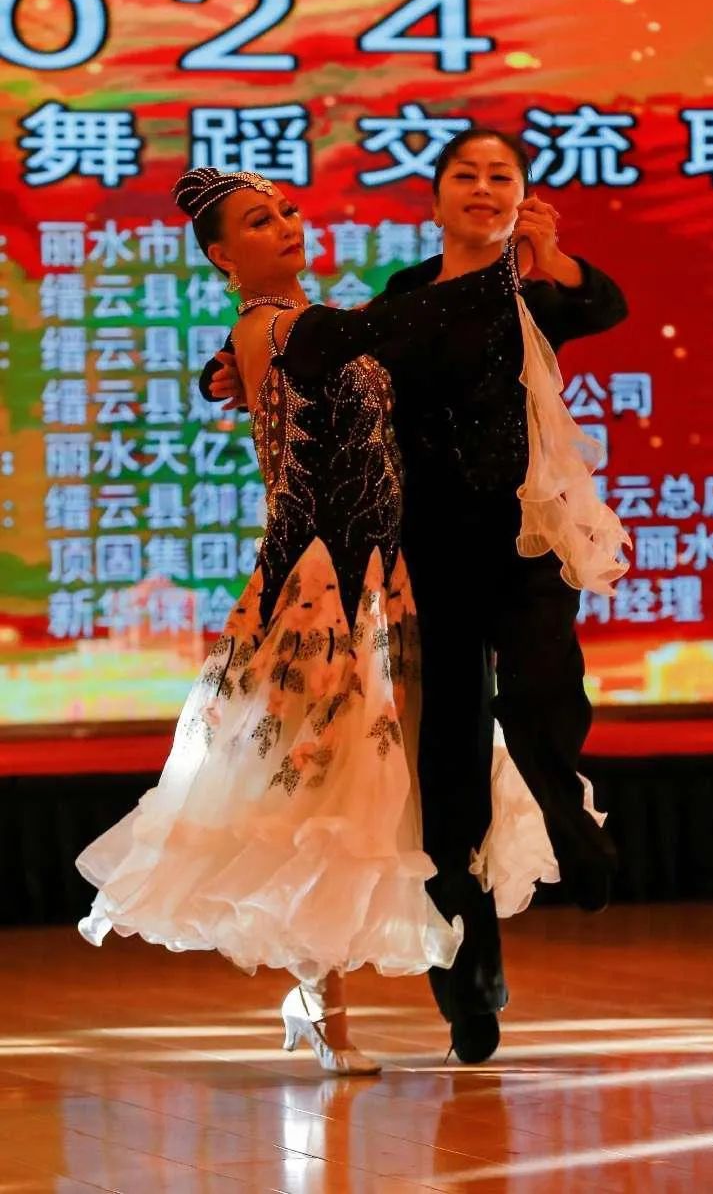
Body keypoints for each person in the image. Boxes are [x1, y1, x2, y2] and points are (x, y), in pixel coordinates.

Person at [77, 166, 531, 1076]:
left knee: (365, 789)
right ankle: (323, 1006)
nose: (286, 223)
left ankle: (330, 998)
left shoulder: (301, 321)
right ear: (222, 257)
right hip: (317, 590)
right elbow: (366, 342)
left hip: (378, 584)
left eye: (286, 209)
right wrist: (494, 265)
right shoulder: (274, 327)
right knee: (318, 794)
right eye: (259, 221)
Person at [200, 130, 629, 1064]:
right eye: (465, 175)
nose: (484, 188)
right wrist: (239, 365)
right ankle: (460, 988)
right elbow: (336, 350)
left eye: (501, 176)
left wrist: (545, 262)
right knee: (435, 787)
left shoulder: (535, 287)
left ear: (523, 194)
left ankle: (572, 823)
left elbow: (603, 305)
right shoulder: (399, 297)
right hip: (416, 562)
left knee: (538, 703)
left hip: (521, 542)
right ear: (433, 200)